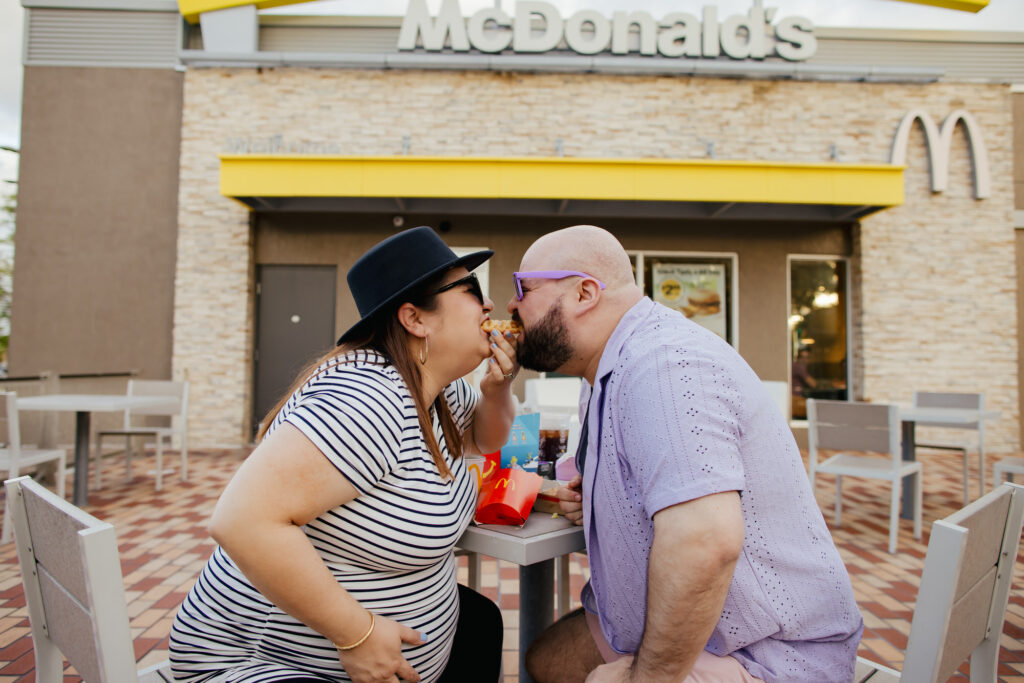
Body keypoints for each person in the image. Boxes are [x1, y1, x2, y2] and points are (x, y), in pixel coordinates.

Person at [510, 226, 863, 683]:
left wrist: (647, 678)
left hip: (766, 652)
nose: (512, 306)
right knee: (547, 660)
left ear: (583, 293)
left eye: (524, 288)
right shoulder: (603, 371)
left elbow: (705, 541)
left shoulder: (664, 367)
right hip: (681, 624)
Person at [170, 226, 518, 683]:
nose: (489, 304)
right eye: (471, 289)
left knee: (482, 622)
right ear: (415, 319)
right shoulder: (366, 398)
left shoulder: (441, 391)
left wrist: (497, 390)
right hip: (259, 661)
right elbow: (239, 520)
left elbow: (486, 440)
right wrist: (358, 634)